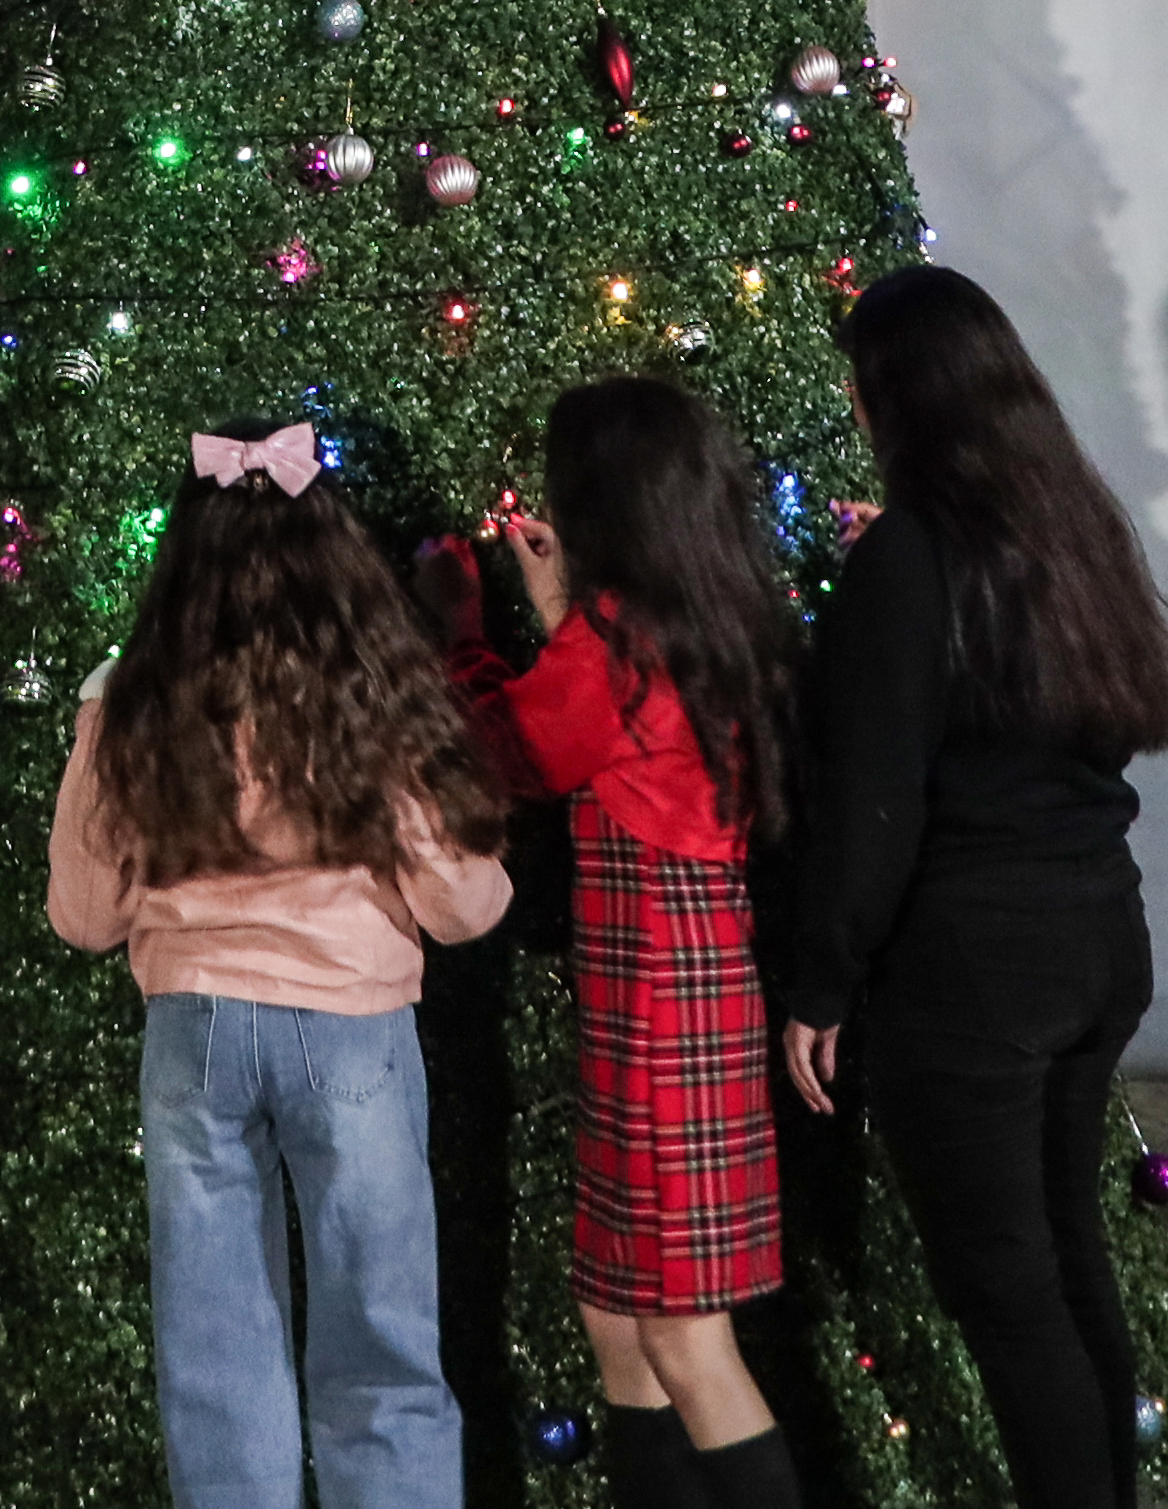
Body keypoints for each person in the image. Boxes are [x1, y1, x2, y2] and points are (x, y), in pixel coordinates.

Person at [778, 269, 1168, 1509]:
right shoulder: (1066, 536)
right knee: (1068, 1259)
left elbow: (876, 800)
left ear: (895, 398)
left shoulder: (912, 562)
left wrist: (822, 977)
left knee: (1007, 1292)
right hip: (1094, 937)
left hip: (972, 974)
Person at [50, 421, 524, 1509]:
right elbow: (459, 904)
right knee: (381, 1349)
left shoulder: (129, 698)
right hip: (350, 1029)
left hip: (194, 1034)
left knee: (219, 1361)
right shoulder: (371, 695)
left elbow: (83, 914)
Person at [435, 377, 808, 1509]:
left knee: (684, 1337)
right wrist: (557, 615)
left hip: (655, 1000)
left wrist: (458, 628)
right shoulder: (709, 615)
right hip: (681, 984)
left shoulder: (619, 640)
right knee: (619, 1311)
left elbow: (509, 753)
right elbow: (610, 729)